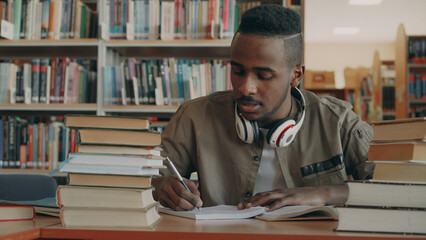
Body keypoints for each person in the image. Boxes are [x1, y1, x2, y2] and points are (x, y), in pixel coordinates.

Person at [152, 5, 374, 211]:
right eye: (238, 71)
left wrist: (323, 194)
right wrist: (161, 185)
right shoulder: (195, 117)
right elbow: (143, 179)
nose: (246, 87)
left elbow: (399, 188)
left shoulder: (338, 122)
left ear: (296, 75)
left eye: (264, 76)